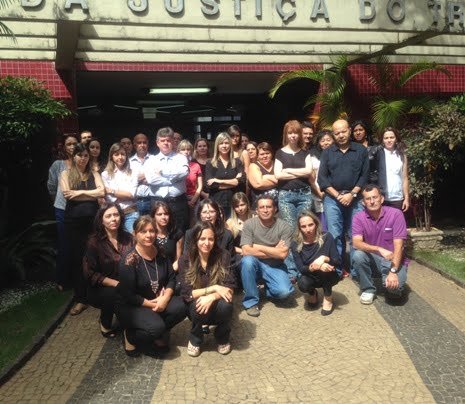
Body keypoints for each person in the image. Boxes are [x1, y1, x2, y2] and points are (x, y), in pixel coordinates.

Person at [116, 216, 186, 357]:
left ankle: (157, 331)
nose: (149, 235)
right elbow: (127, 295)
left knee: (183, 305)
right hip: (133, 306)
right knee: (156, 327)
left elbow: (172, 278)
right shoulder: (129, 260)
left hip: (158, 300)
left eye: (152, 231)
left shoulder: (161, 252)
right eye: (143, 231)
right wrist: (151, 304)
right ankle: (130, 335)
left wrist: (165, 299)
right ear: (135, 234)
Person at [317, 119, 369, 277]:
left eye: (343, 131)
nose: (340, 135)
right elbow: (322, 179)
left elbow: (364, 175)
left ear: (349, 131)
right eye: (337, 133)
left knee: (356, 235)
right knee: (335, 235)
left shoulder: (361, 150)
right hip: (333, 199)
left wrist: (352, 194)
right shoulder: (327, 152)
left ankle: (356, 270)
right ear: (333, 135)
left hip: (355, 198)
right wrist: (339, 195)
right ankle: (337, 269)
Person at [178, 221, 236, 357]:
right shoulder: (185, 259)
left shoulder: (224, 255)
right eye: (202, 239)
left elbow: (230, 287)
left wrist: (212, 297)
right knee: (196, 305)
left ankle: (222, 336)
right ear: (195, 240)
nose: (207, 243)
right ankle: (195, 338)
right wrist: (214, 288)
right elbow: (187, 292)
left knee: (227, 305)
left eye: (210, 239)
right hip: (196, 302)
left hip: (217, 302)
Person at [60, 143, 105, 315]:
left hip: (93, 222)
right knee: (78, 259)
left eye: (86, 156)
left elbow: (102, 192)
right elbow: (66, 193)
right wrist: (91, 193)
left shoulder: (94, 173)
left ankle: (97, 294)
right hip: (74, 222)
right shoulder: (66, 173)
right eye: (80, 155)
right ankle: (81, 298)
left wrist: (78, 193)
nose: (83, 158)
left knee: (95, 257)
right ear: (74, 157)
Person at [83, 203, 134, 338]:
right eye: (108, 216)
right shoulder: (94, 242)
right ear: (101, 220)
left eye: (116, 215)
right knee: (112, 293)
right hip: (101, 288)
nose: (113, 219)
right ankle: (105, 323)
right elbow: (90, 273)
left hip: (126, 284)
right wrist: (116, 283)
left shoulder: (129, 238)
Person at [352, 184, 409, 304]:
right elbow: (356, 243)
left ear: (382, 199)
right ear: (363, 202)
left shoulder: (396, 214)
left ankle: (388, 283)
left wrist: (393, 271)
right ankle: (368, 289)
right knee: (358, 255)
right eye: (368, 199)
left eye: (375, 197)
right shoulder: (358, 217)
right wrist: (379, 249)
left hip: (394, 260)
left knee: (394, 290)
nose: (372, 201)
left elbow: (399, 246)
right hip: (375, 258)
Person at [240, 194, 294, 317]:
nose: (265, 210)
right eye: (262, 207)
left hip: (276, 266)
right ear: (257, 210)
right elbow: (246, 251)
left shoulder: (284, 226)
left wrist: (257, 246)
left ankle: (267, 289)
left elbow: (282, 254)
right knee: (247, 261)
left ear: (275, 209)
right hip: (255, 264)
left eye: (269, 207)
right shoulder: (249, 224)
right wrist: (274, 250)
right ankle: (251, 302)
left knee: (284, 293)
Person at [291, 210, 341, 316]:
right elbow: (301, 268)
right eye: (303, 226)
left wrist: (324, 259)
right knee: (303, 284)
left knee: (325, 270)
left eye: (310, 225)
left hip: (329, 274)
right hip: (310, 275)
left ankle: (328, 297)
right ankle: (312, 292)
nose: (308, 229)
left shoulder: (327, 237)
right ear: (299, 228)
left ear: (316, 224)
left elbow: (337, 261)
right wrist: (316, 266)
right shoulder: (295, 243)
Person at [47, 133, 78, 290]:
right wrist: (57, 202)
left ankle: (78, 278)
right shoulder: (58, 165)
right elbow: (51, 186)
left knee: (79, 245)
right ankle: (62, 279)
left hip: (79, 210)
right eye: (69, 144)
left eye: (74, 143)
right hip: (62, 209)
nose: (72, 147)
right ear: (64, 147)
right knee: (64, 244)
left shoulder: (83, 162)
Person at [145, 127, 189, 232]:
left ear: (173, 142)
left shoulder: (181, 158)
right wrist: (173, 180)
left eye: (168, 140)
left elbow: (184, 173)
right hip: (157, 203)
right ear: (157, 143)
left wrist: (162, 173)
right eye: (162, 140)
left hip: (177, 203)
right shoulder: (151, 160)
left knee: (180, 233)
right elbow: (151, 180)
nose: (166, 143)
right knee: (157, 234)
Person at [274, 120, 313, 230]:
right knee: (290, 227)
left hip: (304, 194)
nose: (293, 136)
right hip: (286, 195)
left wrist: (288, 170)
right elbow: (278, 175)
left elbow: (309, 172)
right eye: (290, 133)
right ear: (286, 135)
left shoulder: (305, 153)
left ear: (300, 134)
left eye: (296, 133)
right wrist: (301, 173)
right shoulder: (280, 153)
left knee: (304, 227)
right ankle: (293, 248)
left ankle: (303, 248)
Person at [205, 132, 245, 219]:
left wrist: (219, 181)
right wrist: (234, 182)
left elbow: (242, 181)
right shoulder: (210, 163)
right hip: (216, 204)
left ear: (230, 145)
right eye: (221, 143)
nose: (224, 146)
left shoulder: (237, 162)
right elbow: (210, 186)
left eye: (227, 143)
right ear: (217, 146)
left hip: (234, 203)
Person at [102, 142, 139, 233]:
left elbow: (131, 194)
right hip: (113, 215)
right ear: (112, 157)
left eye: (123, 154)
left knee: (133, 239)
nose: (120, 157)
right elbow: (110, 198)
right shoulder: (105, 174)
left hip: (131, 212)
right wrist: (122, 194)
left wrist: (112, 191)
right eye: (116, 154)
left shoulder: (133, 173)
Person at [377, 127, 410, 212]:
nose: (389, 140)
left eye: (392, 137)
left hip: (397, 198)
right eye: (386, 138)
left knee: (396, 224)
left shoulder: (402, 155)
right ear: (382, 140)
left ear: (396, 139)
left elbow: (405, 178)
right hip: (381, 198)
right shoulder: (378, 154)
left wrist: (406, 198)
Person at [308, 130, 335, 229]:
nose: (325, 143)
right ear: (318, 142)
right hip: (318, 193)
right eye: (322, 140)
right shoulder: (312, 155)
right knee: (322, 225)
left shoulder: (337, 154)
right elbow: (311, 178)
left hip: (334, 194)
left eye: (328, 140)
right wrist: (319, 193)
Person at [152, 201, 183, 270]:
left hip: (172, 271)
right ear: (154, 216)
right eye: (159, 214)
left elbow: (178, 260)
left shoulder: (176, 233)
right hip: (152, 273)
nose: (163, 217)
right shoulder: (149, 234)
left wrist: (169, 273)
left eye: (166, 214)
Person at [178, 139, 203, 226]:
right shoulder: (176, 166)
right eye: (183, 149)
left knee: (195, 223)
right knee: (182, 223)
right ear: (178, 151)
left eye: (188, 149)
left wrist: (193, 200)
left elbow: (200, 186)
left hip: (194, 198)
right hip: (181, 199)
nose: (186, 152)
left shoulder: (196, 165)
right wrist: (185, 200)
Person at [129, 133, 154, 216]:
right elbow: (128, 180)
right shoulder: (129, 162)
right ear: (135, 145)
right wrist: (149, 176)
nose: (142, 145)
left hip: (152, 200)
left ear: (148, 144)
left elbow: (159, 176)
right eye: (139, 143)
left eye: (144, 142)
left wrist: (146, 176)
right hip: (135, 201)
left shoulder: (155, 159)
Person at [247, 142, 278, 208]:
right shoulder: (253, 166)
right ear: (257, 156)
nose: (265, 156)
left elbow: (285, 180)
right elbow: (259, 184)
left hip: (278, 207)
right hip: (259, 208)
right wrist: (277, 179)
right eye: (262, 154)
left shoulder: (277, 164)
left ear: (271, 154)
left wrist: (265, 177)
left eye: (267, 153)